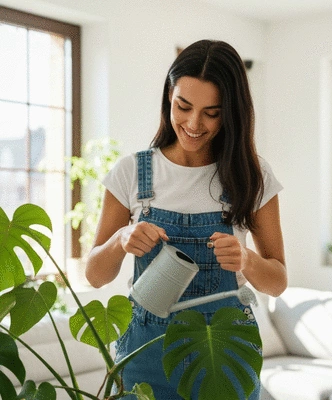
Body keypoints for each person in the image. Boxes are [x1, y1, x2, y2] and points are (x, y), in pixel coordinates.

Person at [86, 39, 287, 399]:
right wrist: (121, 239)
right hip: (146, 354)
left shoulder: (251, 175)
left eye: (212, 112)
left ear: (232, 113)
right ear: (168, 97)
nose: (194, 124)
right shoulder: (132, 172)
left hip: (225, 352)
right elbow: (95, 275)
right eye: (184, 106)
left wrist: (247, 260)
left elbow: (278, 282)